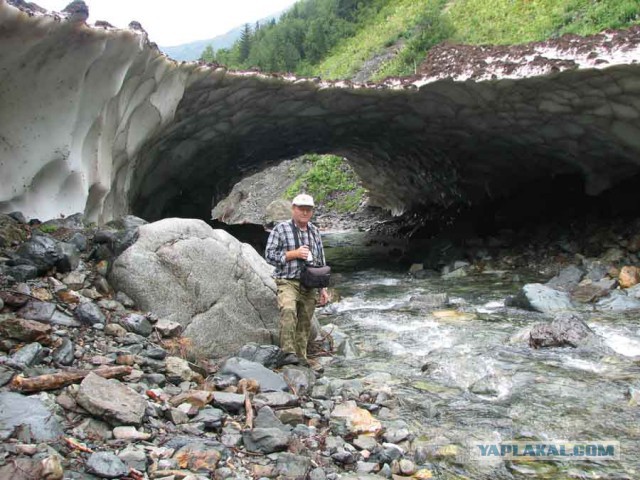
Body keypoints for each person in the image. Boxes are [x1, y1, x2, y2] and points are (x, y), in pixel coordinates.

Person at [265, 193, 329, 366]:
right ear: (293, 209)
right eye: (301, 209)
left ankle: (301, 358)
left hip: (310, 283)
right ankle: (288, 353)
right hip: (287, 280)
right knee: (288, 310)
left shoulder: (314, 231)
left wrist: (323, 289)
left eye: (308, 209)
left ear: (312, 211)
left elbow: (321, 261)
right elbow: (269, 256)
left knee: (305, 320)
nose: (305, 212)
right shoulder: (281, 229)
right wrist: (294, 254)